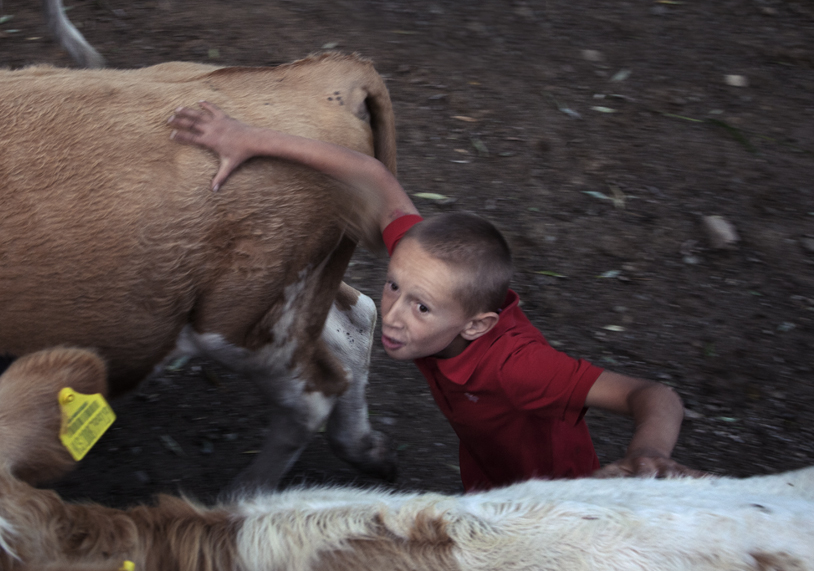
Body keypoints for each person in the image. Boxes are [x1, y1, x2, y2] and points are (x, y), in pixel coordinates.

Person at [168, 100, 701, 492]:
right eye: (392, 286)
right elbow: (374, 176)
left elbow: (654, 395)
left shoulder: (521, 368)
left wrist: (649, 454)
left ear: (477, 325)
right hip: (486, 479)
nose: (393, 316)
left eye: (420, 307)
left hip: (559, 502)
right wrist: (247, 137)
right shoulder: (428, 265)